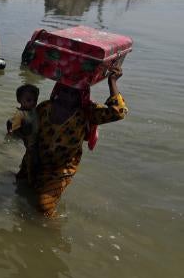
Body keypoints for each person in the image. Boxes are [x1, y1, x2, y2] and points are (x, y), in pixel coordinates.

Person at [30, 68, 127, 217]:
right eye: (65, 91)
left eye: (73, 94)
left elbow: (119, 112)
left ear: (80, 96)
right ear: (58, 90)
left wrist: (112, 81)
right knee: (23, 190)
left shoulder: (86, 113)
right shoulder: (44, 107)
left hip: (61, 170)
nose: (67, 97)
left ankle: (53, 232)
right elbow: (31, 132)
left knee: (44, 207)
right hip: (35, 160)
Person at [7, 84, 40, 184]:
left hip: (35, 145)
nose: (33, 103)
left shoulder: (33, 110)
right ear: (19, 100)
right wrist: (19, 134)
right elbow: (13, 128)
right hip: (31, 147)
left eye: (35, 100)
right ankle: (28, 185)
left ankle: (22, 177)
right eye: (29, 100)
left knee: (29, 165)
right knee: (32, 168)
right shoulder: (20, 114)